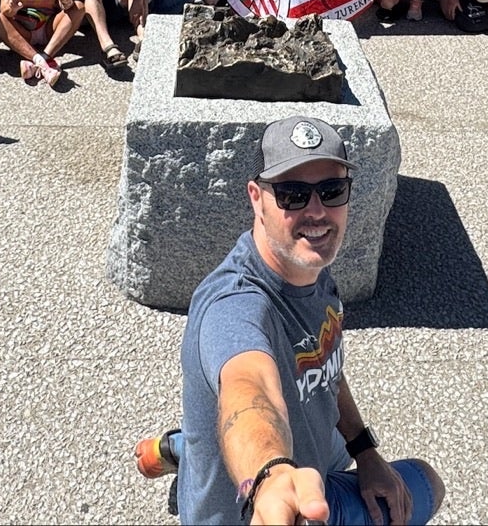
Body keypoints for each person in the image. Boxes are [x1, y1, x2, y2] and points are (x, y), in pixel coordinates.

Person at [142, 116, 446, 526]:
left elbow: (323, 365)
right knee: (427, 484)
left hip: (315, 445)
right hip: (266, 510)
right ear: (256, 197)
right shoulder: (233, 304)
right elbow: (248, 388)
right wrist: (271, 476)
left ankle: (182, 446)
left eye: (332, 190)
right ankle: (191, 449)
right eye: (292, 194)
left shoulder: (308, 264)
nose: (317, 212)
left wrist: (366, 451)